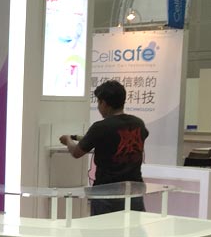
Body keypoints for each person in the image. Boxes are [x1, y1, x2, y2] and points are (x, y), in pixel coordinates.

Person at [60, 80, 149, 216]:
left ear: (104, 103)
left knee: (103, 228)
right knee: (133, 227)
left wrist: (67, 140)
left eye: (99, 102)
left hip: (106, 193)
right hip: (134, 191)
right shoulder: (138, 123)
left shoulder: (101, 127)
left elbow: (77, 152)